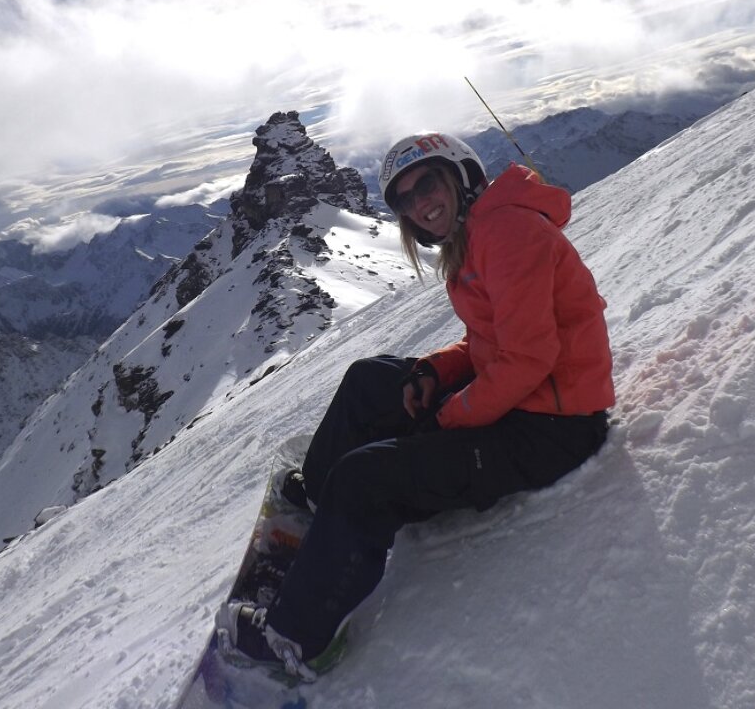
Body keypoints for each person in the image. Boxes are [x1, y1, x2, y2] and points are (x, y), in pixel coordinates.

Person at [216, 131, 616, 680]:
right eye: (404, 198)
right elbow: (487, 343)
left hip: (553, 429)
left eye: (426, 183)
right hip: (526, 402)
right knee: (371, 380)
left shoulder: (507, 232)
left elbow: (527, 359)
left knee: (366, 477)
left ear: (459, 175)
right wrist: (434, 371)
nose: (419, 203)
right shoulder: (480, 233)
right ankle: (318, 505)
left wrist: (448, 419)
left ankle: (296, 641)